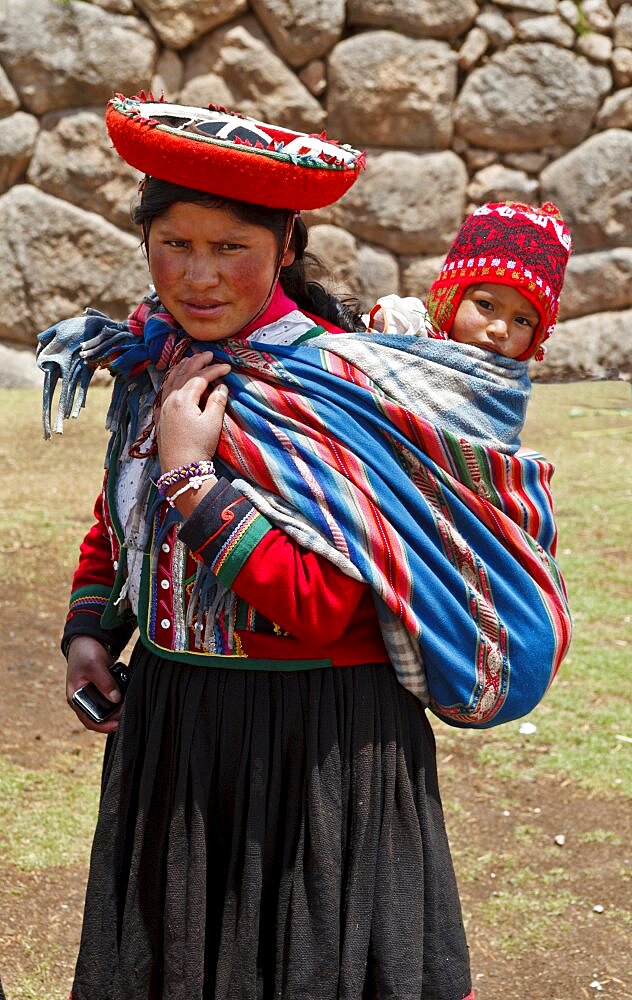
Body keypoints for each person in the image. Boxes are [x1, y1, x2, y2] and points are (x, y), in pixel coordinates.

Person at [38, 96, 482, 999]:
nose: (197, 276)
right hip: (179, 729)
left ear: (286, 248)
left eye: (230, 247)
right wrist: (92, 627)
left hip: (314, 744)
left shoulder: (335, 389)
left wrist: (193, 482)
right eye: (175, 242)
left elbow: (324, 605)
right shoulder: (157, 357)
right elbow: (121, 510)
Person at [367, 199, 572, 363]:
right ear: (449, 299)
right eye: (485, 305)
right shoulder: (401, 334)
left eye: (522, 321)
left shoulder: (511, 392)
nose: (499, 330)